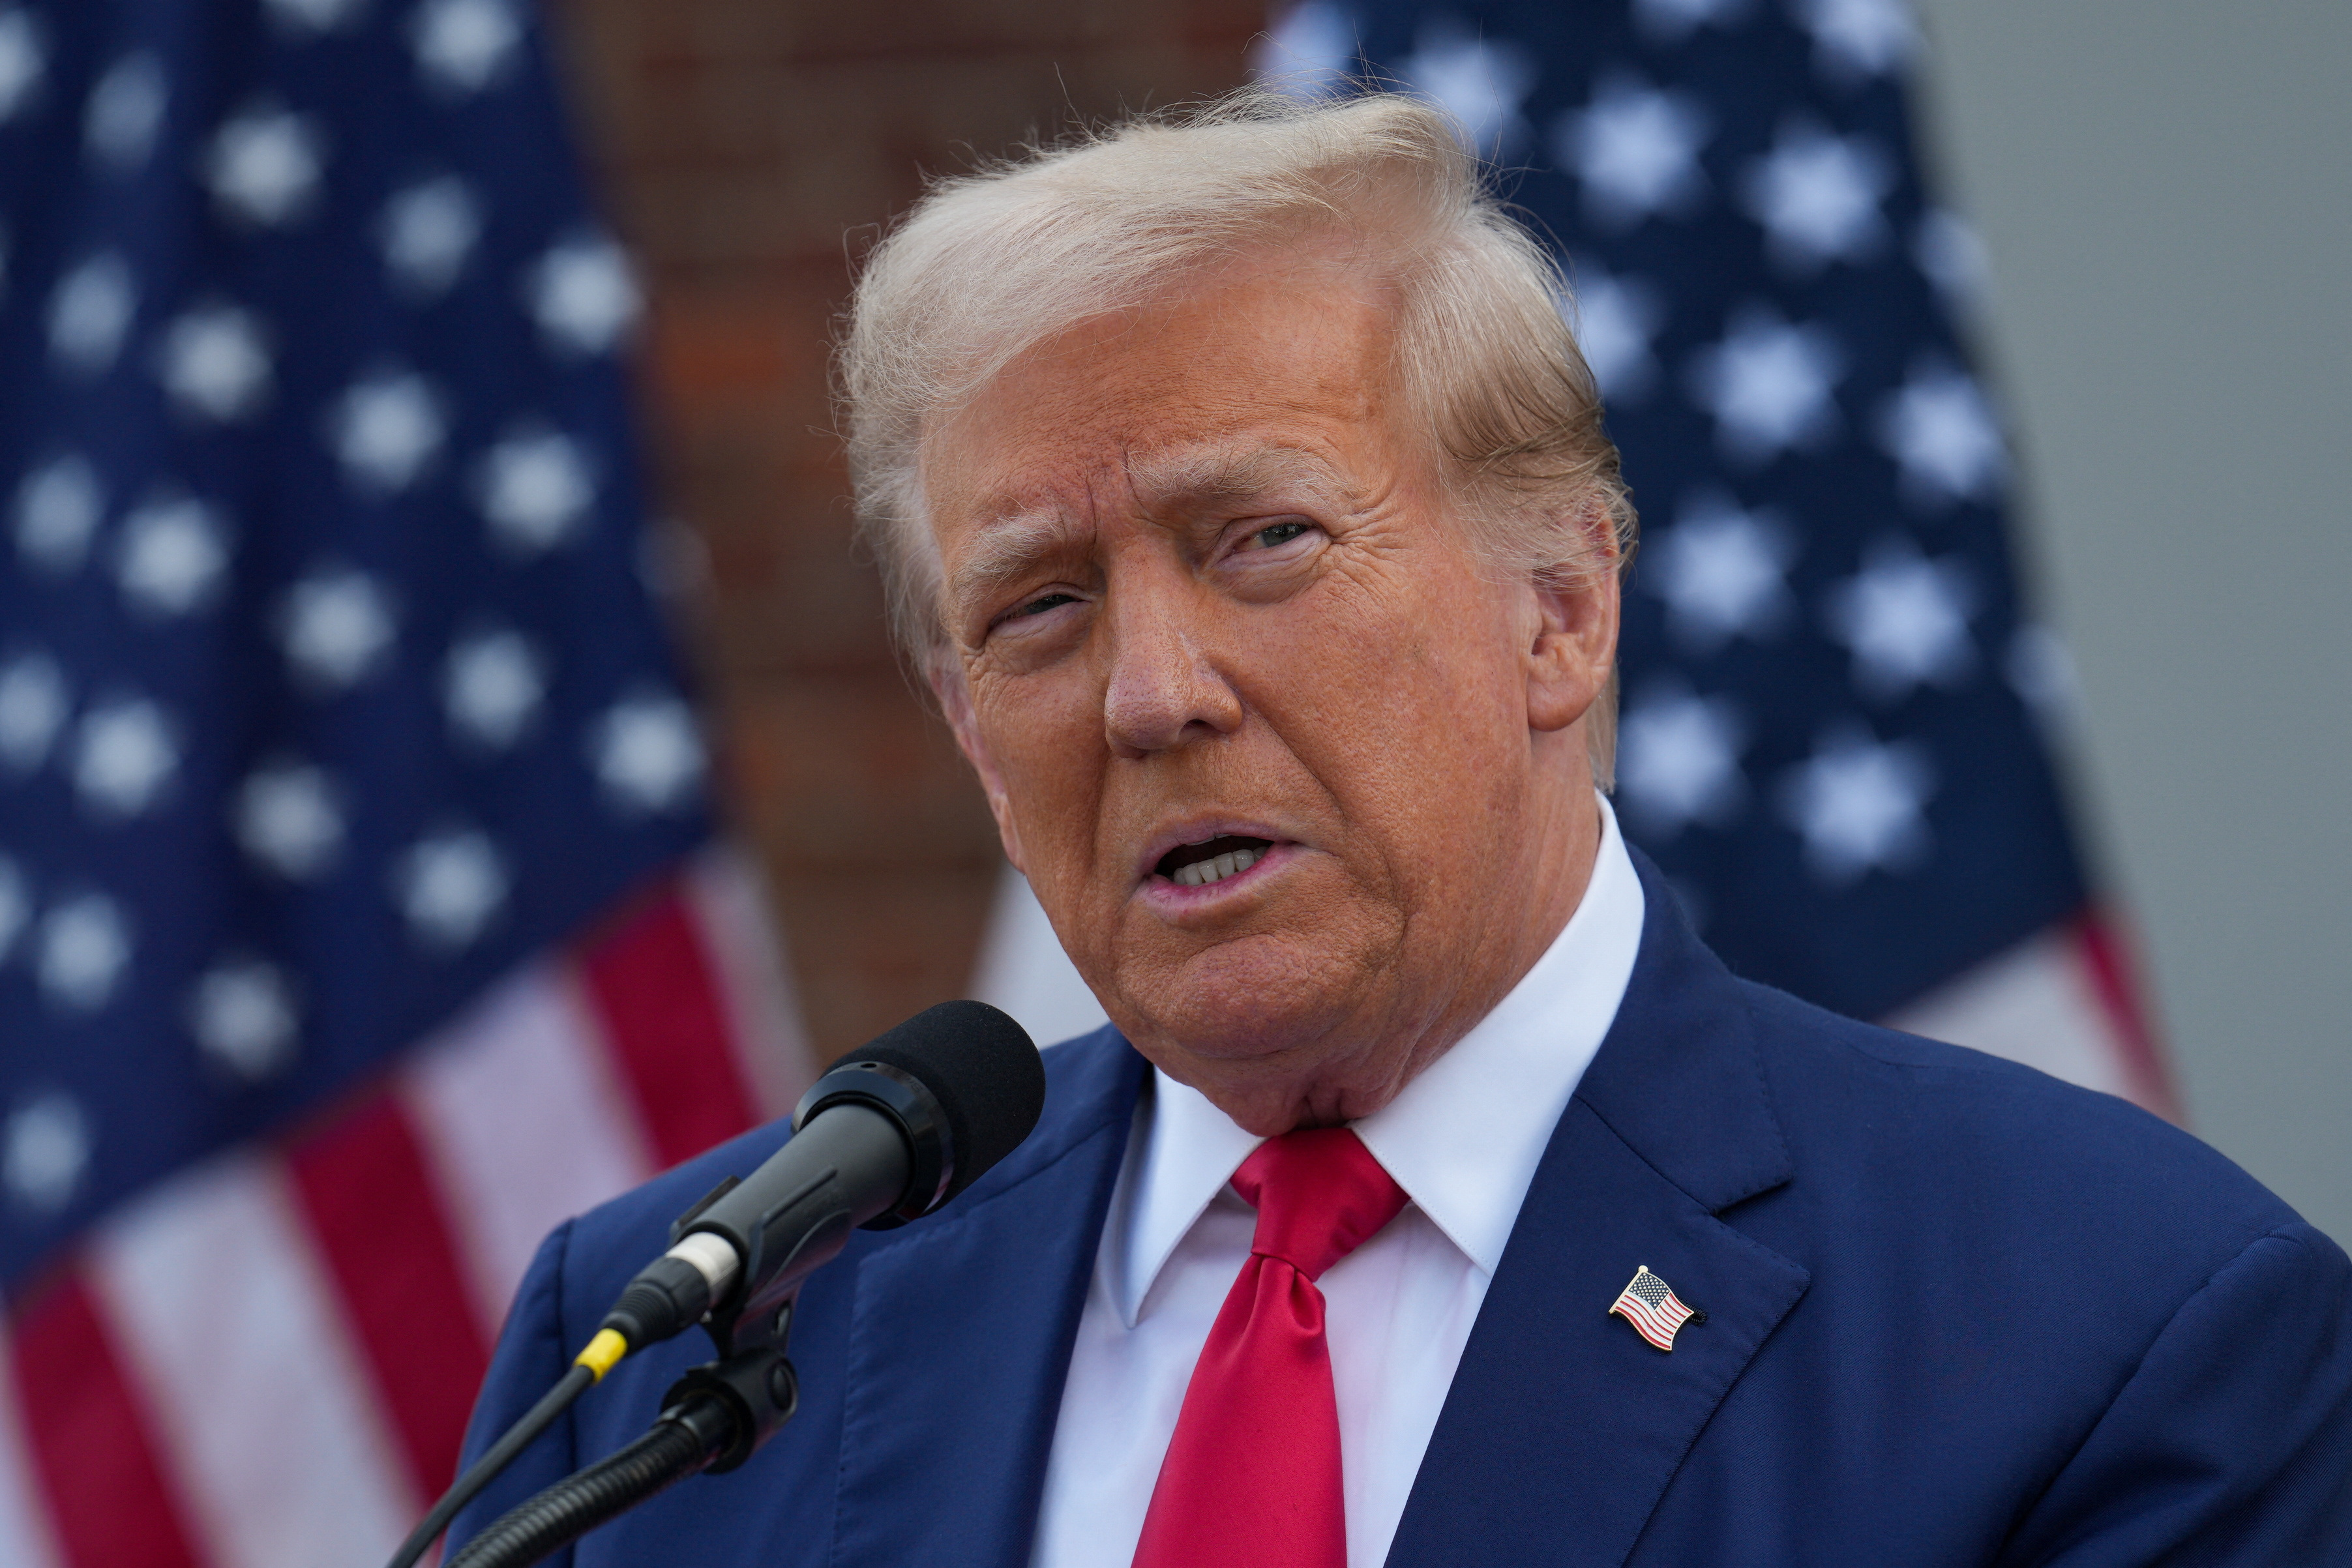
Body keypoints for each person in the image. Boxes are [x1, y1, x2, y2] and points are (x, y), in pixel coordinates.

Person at [449, 93, 2351, 1567]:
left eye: (1262, 542)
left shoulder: (2115, 1334)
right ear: (964, 727)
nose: (1150, 692)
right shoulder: (668, 1357)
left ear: (1564, 608)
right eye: (1038, 609)